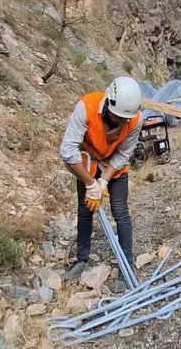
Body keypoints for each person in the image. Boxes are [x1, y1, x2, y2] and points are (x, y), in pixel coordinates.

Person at [59, 76, 143, 291]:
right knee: (85, 210)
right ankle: (81, 260)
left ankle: (128, 266)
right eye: (117, 118)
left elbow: (124, 153)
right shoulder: (86, 107)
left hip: (114, 166)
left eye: (125, 119)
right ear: (108, 103)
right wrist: (90, 184)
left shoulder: (134, 119)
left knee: (121, 212)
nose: (121, 123)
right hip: (87, 165)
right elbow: (67, 151)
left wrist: (104, 181)